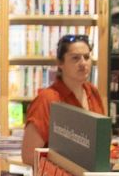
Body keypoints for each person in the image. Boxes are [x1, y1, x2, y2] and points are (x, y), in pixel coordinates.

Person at [21, 34, 105, 166]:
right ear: (60, 63)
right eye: (75, 58)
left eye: (87, 57)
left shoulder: (93, 93)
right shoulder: (47, 99)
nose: (83, 63)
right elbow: (29, 155)